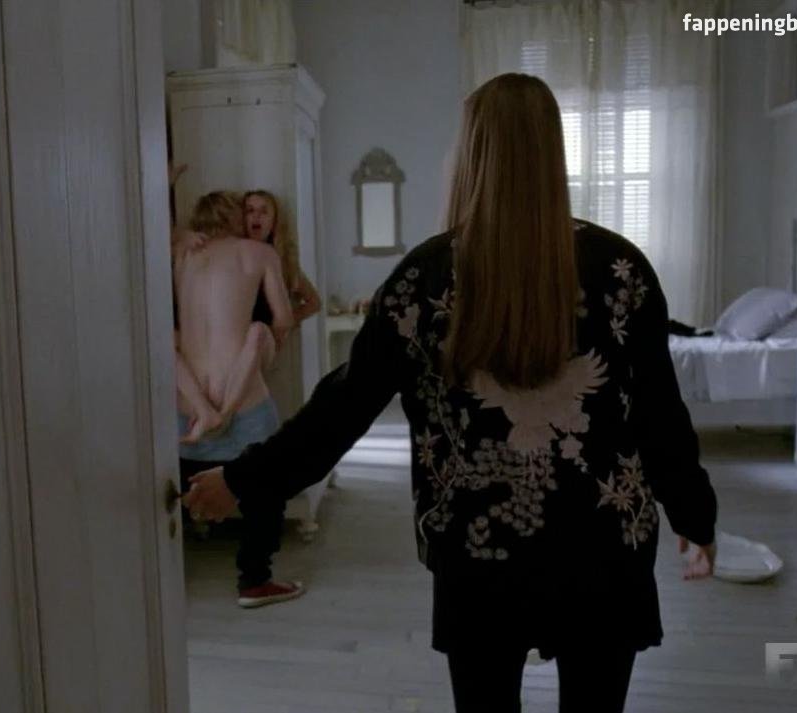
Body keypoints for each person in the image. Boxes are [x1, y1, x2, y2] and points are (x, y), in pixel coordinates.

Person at [184, 74, 718, 712]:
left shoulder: (425, 278)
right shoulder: (621, 270)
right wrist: (696, 517)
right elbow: (660, 417)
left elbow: (342, 408)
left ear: (470, 156)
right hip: (602, 547)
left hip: (479, 552)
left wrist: (243, 480)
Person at [175, 191, 305, 608]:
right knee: (268, 486)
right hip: (243, 396)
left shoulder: (180, 254)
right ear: (236, 217)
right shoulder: (259, 254)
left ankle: (158, 577)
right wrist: (268, 346)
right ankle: (254, 581)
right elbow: (283, 318)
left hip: (187, 404)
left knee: (171, 484)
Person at [242, 190, 321, 326]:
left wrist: (279, 327)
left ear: (274, 221)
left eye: (264, 212)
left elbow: (314, 303)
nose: (256, 216)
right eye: (250, 210)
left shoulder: (283, 260)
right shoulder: (235, 256)